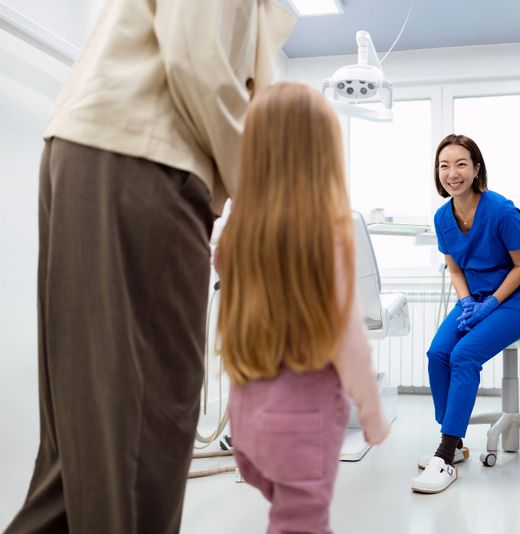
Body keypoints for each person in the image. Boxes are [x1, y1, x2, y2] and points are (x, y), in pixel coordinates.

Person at [5, 1, 296, 532]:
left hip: (108, 157)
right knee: (141, 444)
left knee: (83, 462)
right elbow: (201, 62)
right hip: (146, 165)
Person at [215, 82, 390, 534]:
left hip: (246, 421)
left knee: (284, 514)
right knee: (301, 523)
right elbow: (349, 339)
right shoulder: (327, 234)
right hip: (303, 422)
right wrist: (371, 413)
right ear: (323, 155)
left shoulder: (237, 232)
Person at [411, 134, 520, 494]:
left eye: (461, 164)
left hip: (513, 300)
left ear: (476, 168)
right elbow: (455, 269)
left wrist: (490, 305)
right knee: (438, 354)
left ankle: (445, 453)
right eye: (444, 166)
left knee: (464, 355)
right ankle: (453, 442)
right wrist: (467, 302)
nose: (452, 173)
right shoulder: (442, 217)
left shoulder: (501, 210)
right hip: (476, 298)